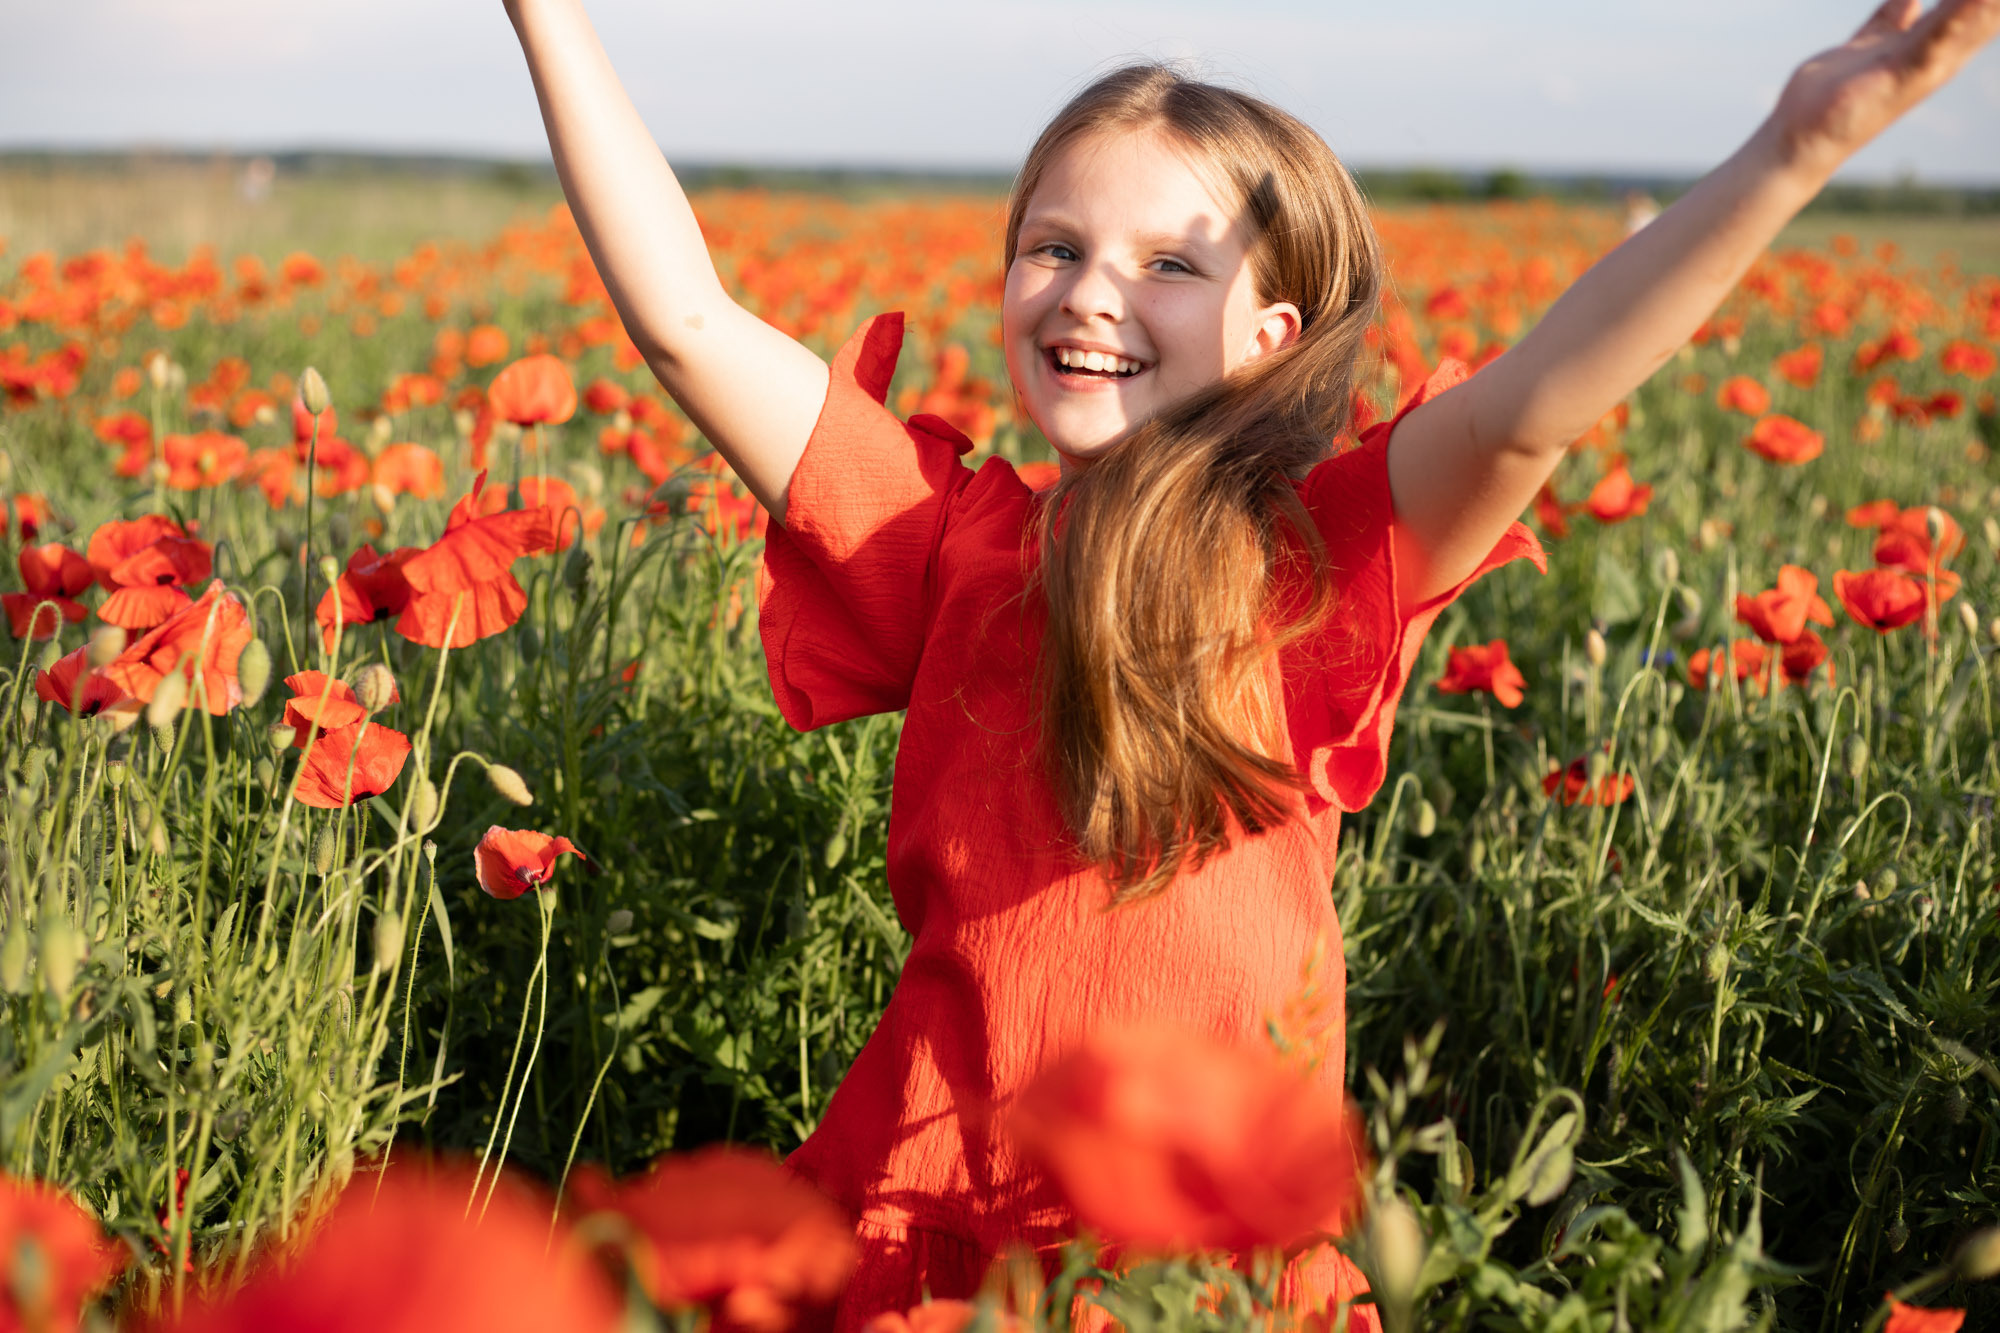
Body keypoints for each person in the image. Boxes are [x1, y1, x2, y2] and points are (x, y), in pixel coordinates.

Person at [501, 1, 2000, 1327]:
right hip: (939, 1218)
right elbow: (689, 326)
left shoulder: (1320, 564)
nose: (1091, 289)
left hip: (1202, 1256)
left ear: (1273, 330)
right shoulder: (944, 537)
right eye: (1054, 246)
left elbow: (1537, 406)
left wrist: (1795, 150)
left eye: (1165, 261)